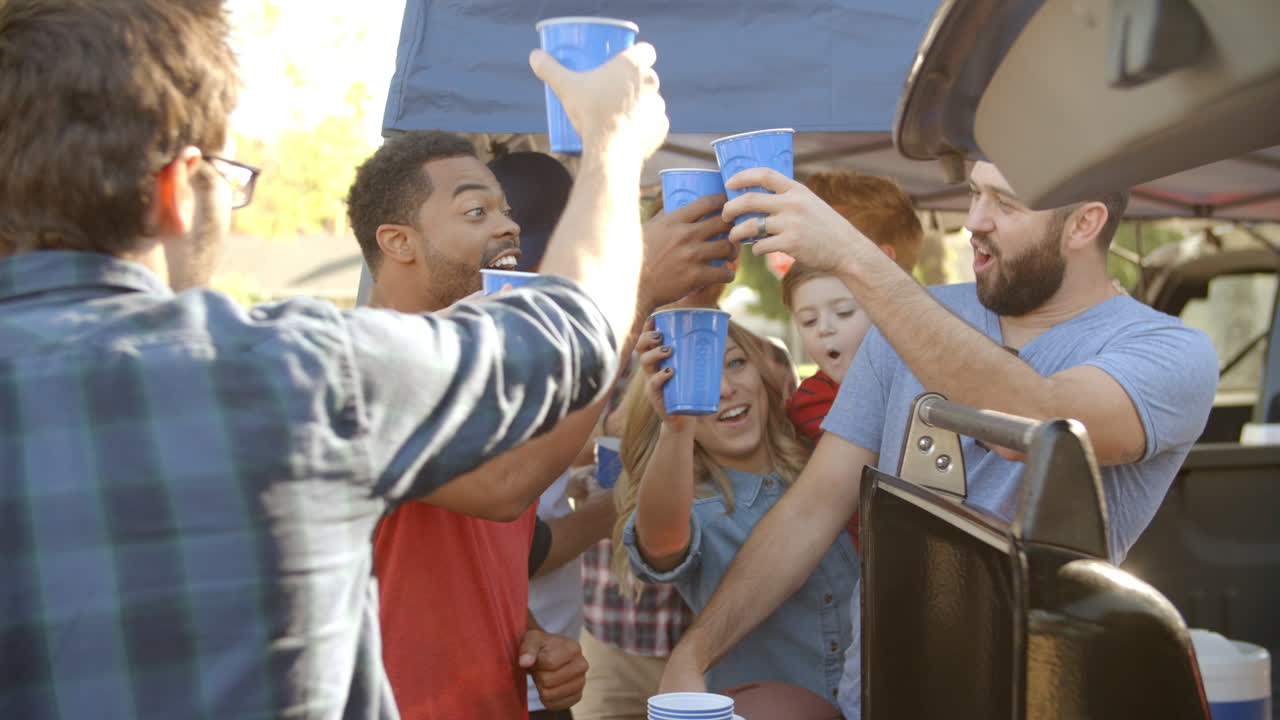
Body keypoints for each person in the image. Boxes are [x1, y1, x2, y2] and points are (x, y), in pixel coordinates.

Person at [0, 1, 673, 716]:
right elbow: (567, 332)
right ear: (177, 190)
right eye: (230, 179)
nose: (504, 224)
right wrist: (612, 146)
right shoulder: (289, 371)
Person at [659, 160, 1219, 718]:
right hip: (874, 699)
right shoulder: (916, 316)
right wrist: (695, 652)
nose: (975, 219)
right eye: (974, 194)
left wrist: (853, 257)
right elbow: (814, 507)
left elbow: (1042, 421)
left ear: (1083, 224)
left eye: (1006, 203)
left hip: (1025, 699)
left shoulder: (1168, 351)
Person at [347, 133, 734, 720]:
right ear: (399, 242)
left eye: (506, 210)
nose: (507, 227)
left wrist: (529, 634)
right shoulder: (359, 366)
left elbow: (455, 554)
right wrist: (636, 287)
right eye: (477, 211)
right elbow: (506, 486)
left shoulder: (479, 367)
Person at [615, 321, 855, 706]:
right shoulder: (698, 506)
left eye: (736, 363)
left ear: (763, 371)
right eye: (701, 380)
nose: (725, 389)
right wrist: (677, 429)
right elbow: (660, 545)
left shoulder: (828, 461)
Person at [780, 171, 923, 549]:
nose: (801, 252)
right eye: (808, 320)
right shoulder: (804, 405)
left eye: (817, 231)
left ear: (880, 257)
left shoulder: (938, 376)